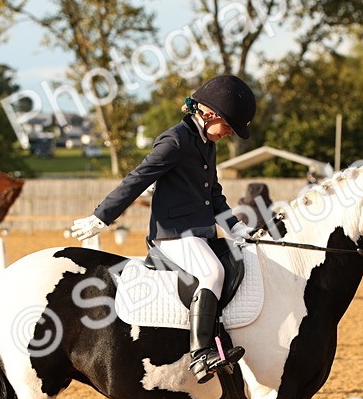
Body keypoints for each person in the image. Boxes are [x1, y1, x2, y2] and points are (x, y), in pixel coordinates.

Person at [71, 74, 256, 383]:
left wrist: (236, 229)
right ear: (210, 114)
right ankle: (201, 355)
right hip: (173, 235)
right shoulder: (176, 140)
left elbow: (213, 194)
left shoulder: (206, 143)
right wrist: (102, 217)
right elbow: (138, 178)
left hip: (200, 234)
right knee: (213, 273)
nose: (227, 135)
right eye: (227, 127)